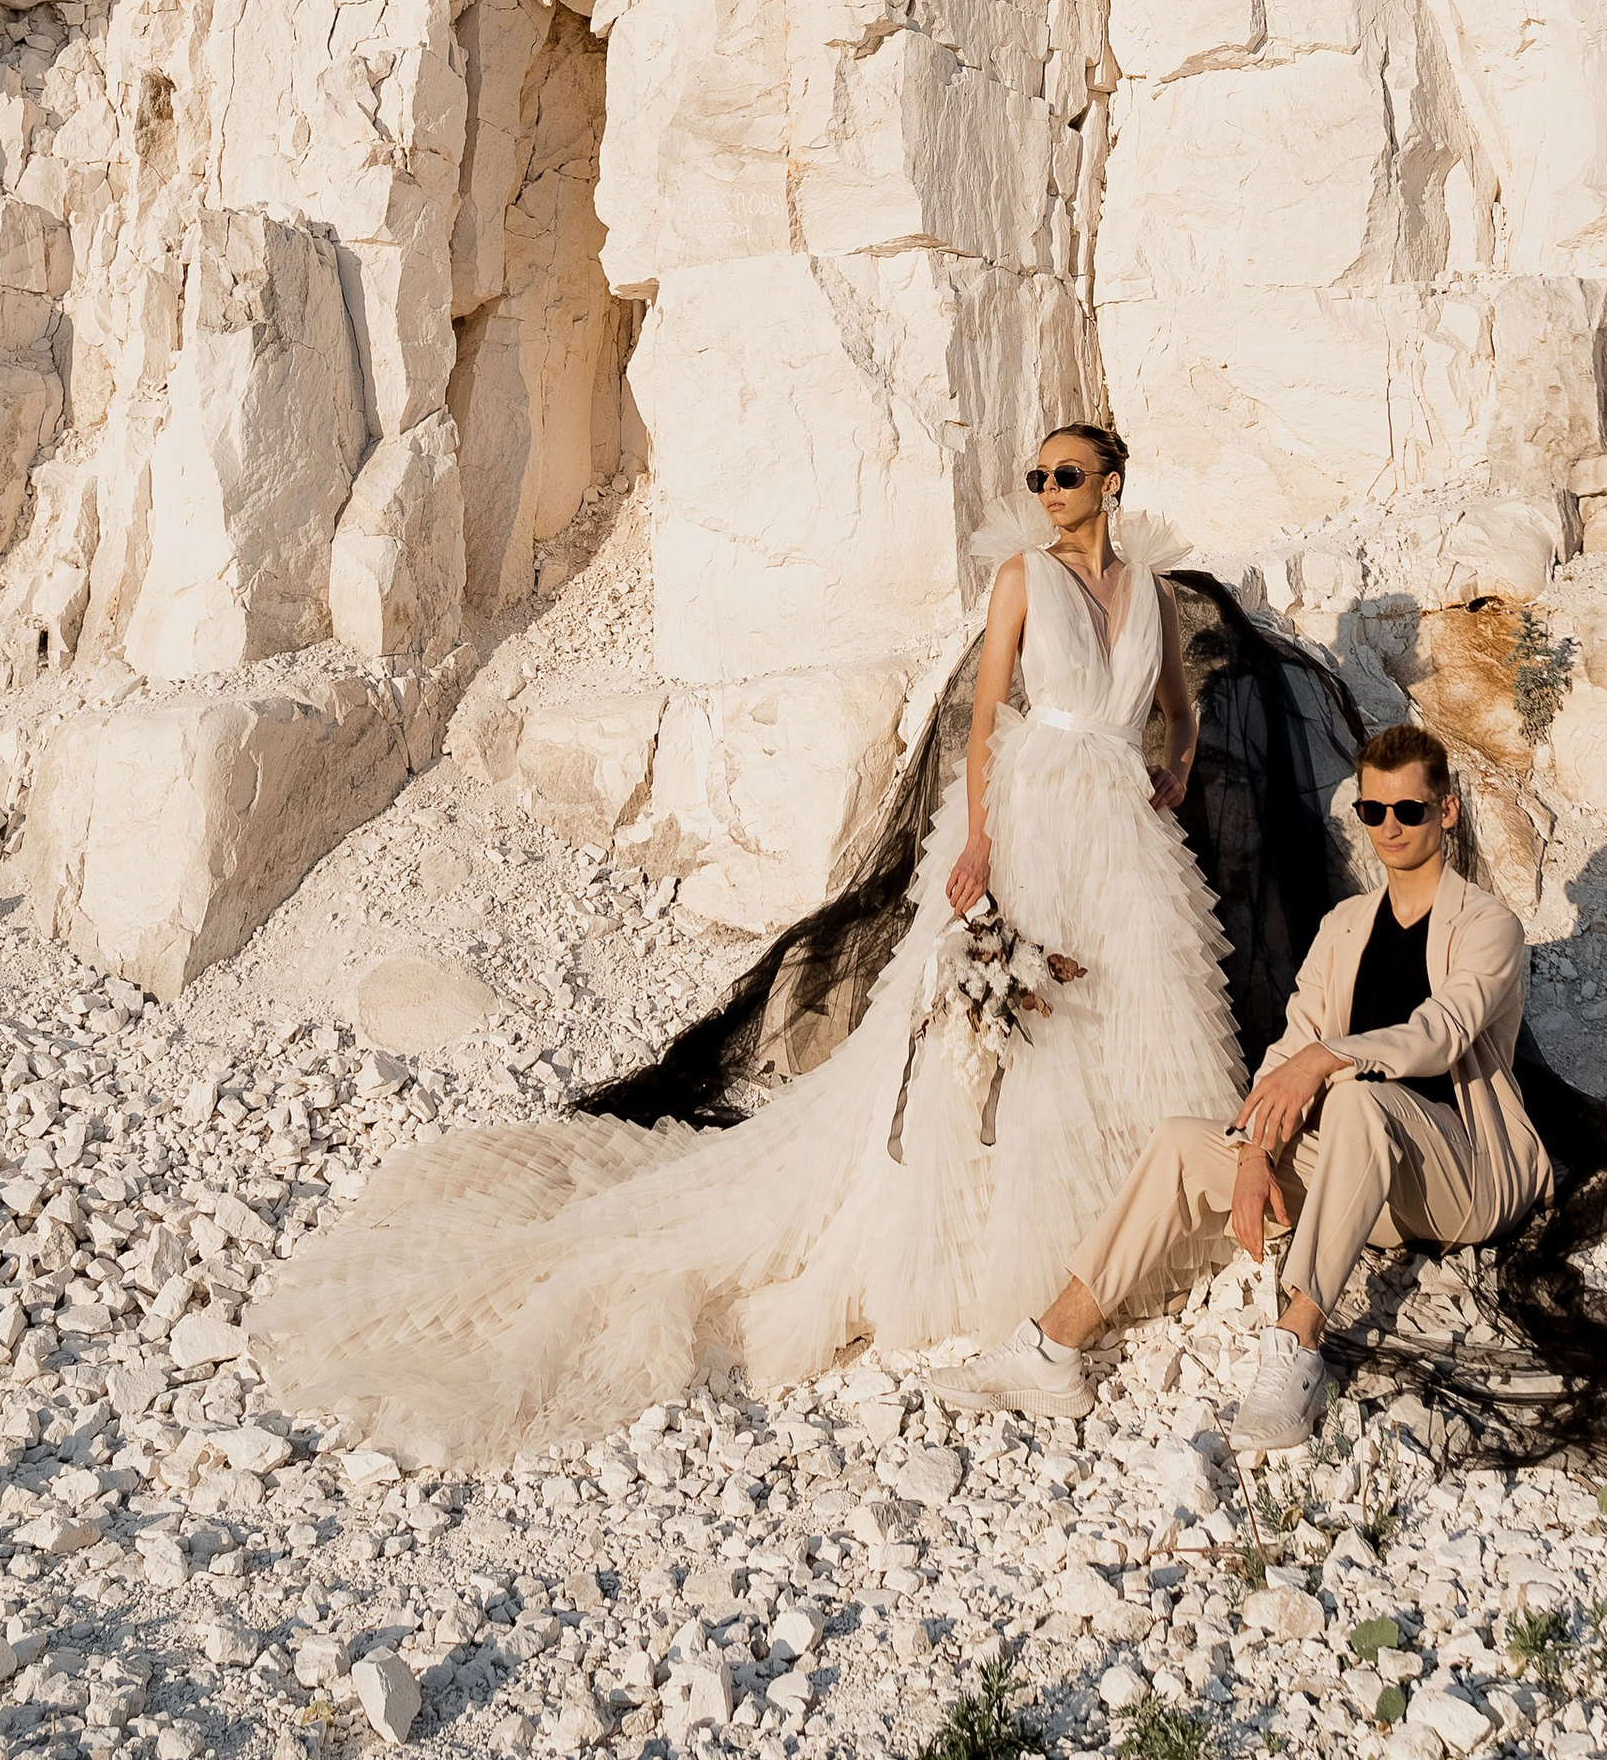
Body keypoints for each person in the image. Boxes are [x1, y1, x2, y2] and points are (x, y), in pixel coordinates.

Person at [250, 424, 1246, 1466]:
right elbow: (987, 718)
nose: (1047, 490)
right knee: (1010, 1025)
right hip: (1035, 812)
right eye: (1037, 476)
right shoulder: (1021, 580)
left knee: (1125, 1011)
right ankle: (1001, 1251)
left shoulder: (1151, 596)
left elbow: (1175, 708)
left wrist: (1171, 767)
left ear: (1111, 483)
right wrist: (981, 842)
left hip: (1123, 826)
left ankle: (1127, 1221)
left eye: (1067, 476)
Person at [932, 721, 1552, 1453]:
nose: (1390, 828)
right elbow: (1290, 1047)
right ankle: (1054, 1346)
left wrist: (1324, 1059)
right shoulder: (1346, 924)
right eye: (1373, 811)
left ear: (1445, 811)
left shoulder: (1489, 925)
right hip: (1359, 1172)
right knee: (1181, 1143)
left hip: (1461, 1177)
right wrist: (1256, 1152)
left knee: (1355, 1095)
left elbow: (1437, 1035)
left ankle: (1296, 1347)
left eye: (1409, 811)